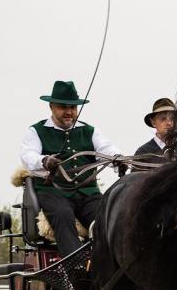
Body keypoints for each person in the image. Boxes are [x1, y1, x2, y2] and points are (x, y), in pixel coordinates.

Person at [20, 80, 122, 257]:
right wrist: (45, 161)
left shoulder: (89, 131)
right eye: (63, 107)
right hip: (53, 192)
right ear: (51, 107)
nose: (69, 112)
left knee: (107, 217)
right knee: (63, 215)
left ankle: (109, 262)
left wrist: (117, 159)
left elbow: (106, 149)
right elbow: (29, 156)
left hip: (88, 193)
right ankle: (76, 264)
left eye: (73, 108)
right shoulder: (36, 131)